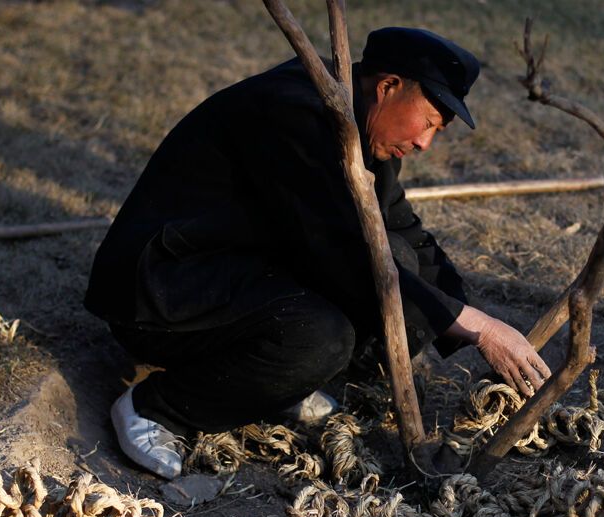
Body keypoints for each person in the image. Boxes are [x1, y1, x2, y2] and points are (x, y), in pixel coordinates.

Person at [85, 27, 551, 479]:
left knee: (405, 269)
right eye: (427, 123)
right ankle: (158, 409)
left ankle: (274, 383)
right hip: (167, 287)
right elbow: (343, 254)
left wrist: (471, 313)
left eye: (437, 131)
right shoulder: (294, 114)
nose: (425, 143)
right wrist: (471, 325)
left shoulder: (366, 130)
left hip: (247, 272)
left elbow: (404, 231)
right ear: (388, 86)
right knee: (319, 337)